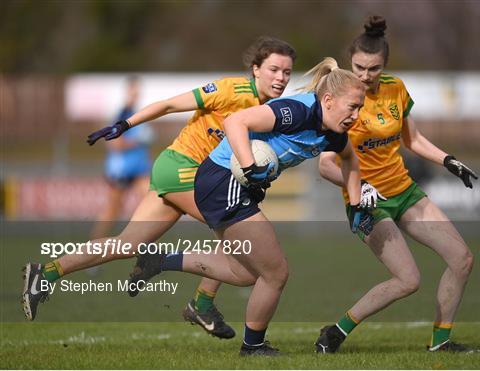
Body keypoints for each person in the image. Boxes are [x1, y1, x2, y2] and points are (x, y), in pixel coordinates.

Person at [21, 37, 297, 341]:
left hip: (191, 177)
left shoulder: (269, 110)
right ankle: (200, 303)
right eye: (274, 69)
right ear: (255, 69)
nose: (280, 78)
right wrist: (125, 125)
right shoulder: (232, 89)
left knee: (126, 245)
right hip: (181, 168)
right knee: (236, 226)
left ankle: (45, 273)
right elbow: (168, 105)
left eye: (286, 72)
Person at [129, 57, 375, 356]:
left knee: (245, 272)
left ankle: (160, 261)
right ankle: (253, 346)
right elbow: (235, 121)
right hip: (222, 180)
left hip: (234, 185)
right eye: (353, 106)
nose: (356, 114)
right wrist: (249, 167)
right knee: (276, 273)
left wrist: (357, 202)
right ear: (328, 99)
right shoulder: (295, 111)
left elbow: (350, 161)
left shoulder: (334, 133)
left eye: (360, 108)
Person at [315, 16, 479, 354]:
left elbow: (413, 139)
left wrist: (448, 160)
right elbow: (325, 165)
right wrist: (362, 189)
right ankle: (336, 331)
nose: (365, 75)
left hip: (405, 192)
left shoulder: (396, 88)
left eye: (373, 68)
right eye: (359, 67)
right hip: (369, 202)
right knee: (409, 280)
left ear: (384, 65)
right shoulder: (339, 99)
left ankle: (440, 341)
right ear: (350, 62)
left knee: (462, 258)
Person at [91, 76, 154, 241]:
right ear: (127, 92)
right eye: (133, 91)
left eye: (137, 91)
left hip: (139, 170)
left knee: (150, 204)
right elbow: (115, 144)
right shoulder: (123, 113)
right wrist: (139, 140)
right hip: (121, 170)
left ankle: (146, 247)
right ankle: (92, 248)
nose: (136, 94)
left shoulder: (136, 113)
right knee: (112, 212)